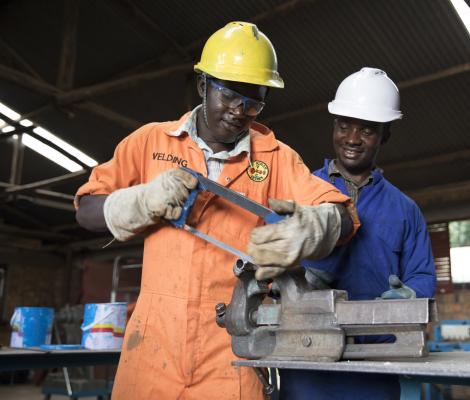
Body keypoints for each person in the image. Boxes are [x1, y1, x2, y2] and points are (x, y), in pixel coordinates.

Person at [74, 22, 358, 400]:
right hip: (152, 348)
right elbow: (85, 209)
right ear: (203, 85)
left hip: (233, 350)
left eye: (254, 101)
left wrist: (317, 225)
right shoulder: (150, 142)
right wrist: (140, 201)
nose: (241, 111)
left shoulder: (275, 157)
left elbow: (344, 216)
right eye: (229, 95)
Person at [279, 67, 437, 400]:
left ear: (385, 135)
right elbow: (271, 260)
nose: (352, 138)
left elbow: (422, 274)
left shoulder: (405, 210)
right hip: (307, 355)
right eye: (344, 126)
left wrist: (410, 295)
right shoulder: (300, 191)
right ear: (333, 126)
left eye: (366, 130)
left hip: (377, 362)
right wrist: (297, 279)